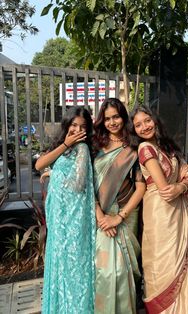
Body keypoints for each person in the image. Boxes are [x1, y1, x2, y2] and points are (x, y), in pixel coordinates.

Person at [129, 105, 188, 314]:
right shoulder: (145, 148)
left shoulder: (166, 147)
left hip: (177, 212)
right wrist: (181, 183)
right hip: (160, 215)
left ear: (154, 120)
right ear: (134, 130)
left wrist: (182, 185)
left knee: (181, 262)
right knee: (163, 265)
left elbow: (186, 175)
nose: (144, 127)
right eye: (138, 125)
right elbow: (165, 187)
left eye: (147, 120)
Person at [35, 106, 96, 314]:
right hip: (58, 219)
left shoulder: (82, 150)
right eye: (74, 125)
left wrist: (56, 174)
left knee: (73, 266)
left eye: (82, 126)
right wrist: (57, 163)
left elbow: (78, 184)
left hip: (73, 221)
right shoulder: (65, 146)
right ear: (67, 124)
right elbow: (39, 165)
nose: (77, 129)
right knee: (59, 263)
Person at [93, 98, 146, 314]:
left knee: (123, 272)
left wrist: (119, 217)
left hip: (125, 216)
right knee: (104, 272)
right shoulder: (96, 145)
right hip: (101, 215)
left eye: (116, 116)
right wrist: (101, 217)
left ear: (123, 117)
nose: (112, 122)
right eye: (107, 119)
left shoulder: (134, 147)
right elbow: (87, 184)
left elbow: (140, 187)